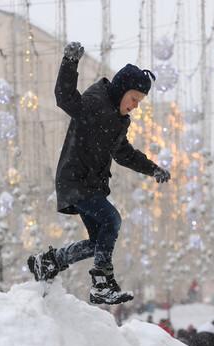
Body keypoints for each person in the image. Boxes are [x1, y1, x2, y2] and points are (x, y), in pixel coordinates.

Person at [27, 42, 171, 305]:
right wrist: (69, 63)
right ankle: (102, 282)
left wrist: (153, 169)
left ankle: (48, 262)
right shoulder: (93, 103)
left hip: (91, 185)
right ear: (121, 90)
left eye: (139, 102)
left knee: (99, 242)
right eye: (134, 99)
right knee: (112, 220)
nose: (135, 106)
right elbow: (65, 97)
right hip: (75, 180)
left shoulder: (119, 120)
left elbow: (123, 153)